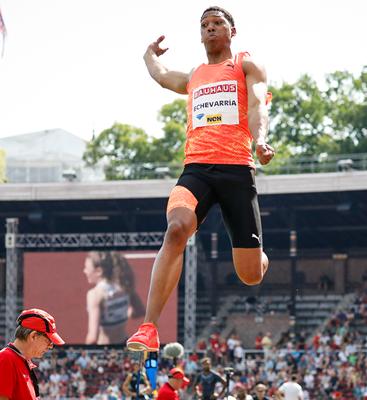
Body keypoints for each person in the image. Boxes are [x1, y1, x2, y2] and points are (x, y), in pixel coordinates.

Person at [127, 5, 274, 352]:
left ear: (231, 32)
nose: (210, 29)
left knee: (250, 275)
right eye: (204, 25)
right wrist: (148, 56)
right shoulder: (194, 76)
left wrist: (261, 139)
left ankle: (261, 255)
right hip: (197, 169)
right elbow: (163, 76)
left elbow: (256, 104)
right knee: (176, 228)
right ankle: (148, 327)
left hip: (237, 169)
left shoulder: (245, 64)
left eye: (217, 23)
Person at [0, 309, 65, 400]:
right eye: (48, 341)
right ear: (33, 336)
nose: (50, 346)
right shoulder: (5, 359)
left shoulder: (24, 361)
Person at [84, 251, 145, 345]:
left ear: (99, 271)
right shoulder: (124, 286)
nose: (85, 271)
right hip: (124, 342)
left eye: (87, 268)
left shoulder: (95, 294)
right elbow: (140, 311)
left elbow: (92, 338)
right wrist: (122, 313)